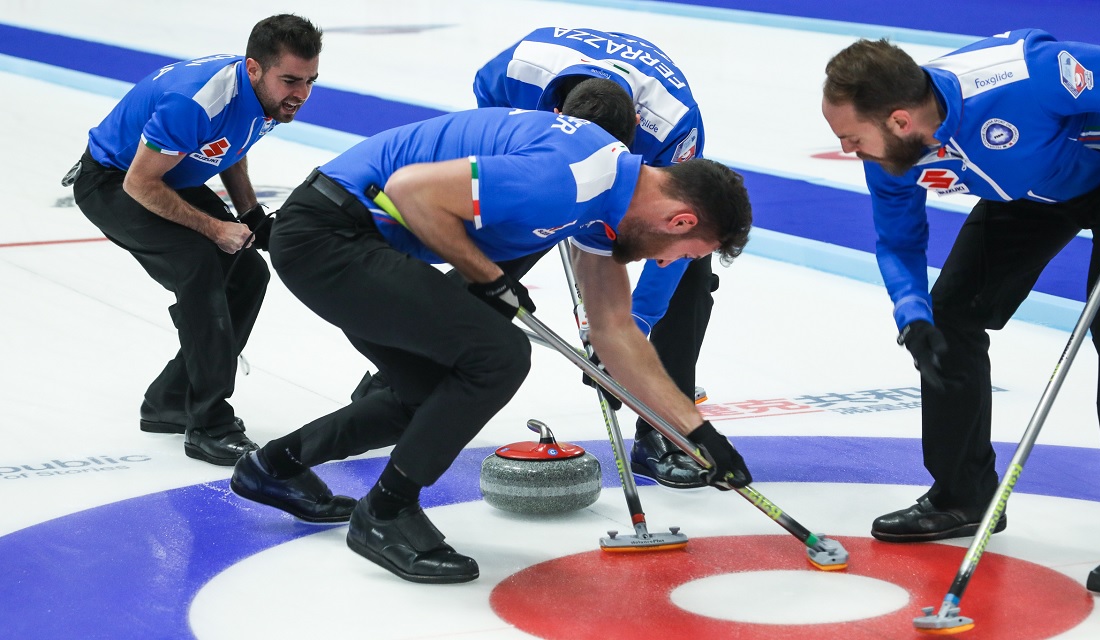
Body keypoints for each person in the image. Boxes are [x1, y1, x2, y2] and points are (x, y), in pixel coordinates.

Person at [228, 100, 753, 584]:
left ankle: (273, 467)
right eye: (682, 253)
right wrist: (488, 278)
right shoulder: (567, 180)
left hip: (353, 238)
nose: (665, 263)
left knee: (429, 398)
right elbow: (413, 191)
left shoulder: (608, 192)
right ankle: (385, 513)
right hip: (328, 235)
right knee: (498, 357)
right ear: (679, 219)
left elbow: (615, 332)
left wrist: (696, 433)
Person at [821, 29, 1100, 595]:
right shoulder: (893, 149)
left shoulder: (1022, 74)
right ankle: (963, 494)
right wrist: (912, 315)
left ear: (900, 120)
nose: (846, 149)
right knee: (947, 315)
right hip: (1033, 192)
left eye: (850, 137)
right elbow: (899, 241)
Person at [69, 14, 323, 465]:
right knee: (199, 264)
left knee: (248, 273)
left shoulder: (265, 95)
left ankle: (172, 399)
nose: (300, 94)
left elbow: (232, 146)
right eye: (290, 80)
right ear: (253, 69)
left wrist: (249, 214)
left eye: (309, 81)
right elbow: (140, 184)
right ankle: (208, 424)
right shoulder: (197, 101)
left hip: (169, 176)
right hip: (115, 180)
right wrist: (216, 227)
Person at [473, 26, 718, 490]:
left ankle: (663, 429)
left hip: (642, 169)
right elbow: (488, 119)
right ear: (557, 113)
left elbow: (684, 226)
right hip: (542, 157)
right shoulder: (517, 71)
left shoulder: (673, 126)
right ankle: (399, 387)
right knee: (482, 262)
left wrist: (635, 326)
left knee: (690, 255)